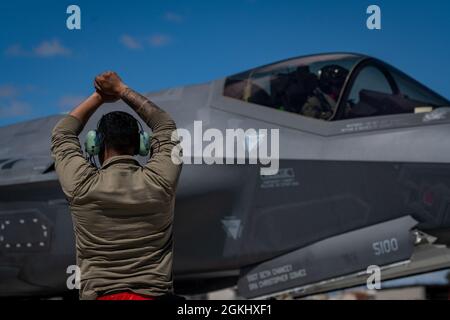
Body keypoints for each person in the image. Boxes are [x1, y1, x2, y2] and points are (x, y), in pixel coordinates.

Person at [51, 71, 183, 300]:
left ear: (95, 145)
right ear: (142, 145)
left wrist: (100, 96)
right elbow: (165, 125)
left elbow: (62, 133)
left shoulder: (82, 184)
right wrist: (121, 89)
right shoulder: (160, 181)